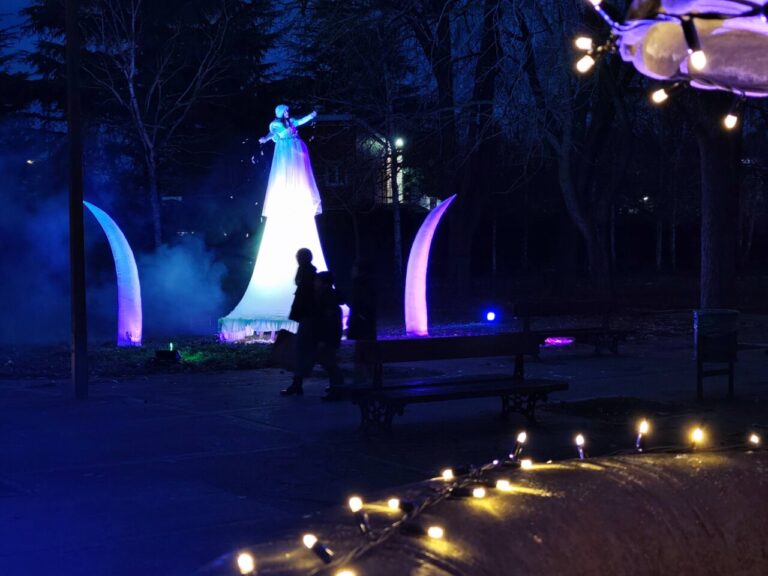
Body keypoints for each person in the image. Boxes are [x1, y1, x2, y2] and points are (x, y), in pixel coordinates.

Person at [219, 104, 329, 342]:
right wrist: (269, 137)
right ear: (280, 112)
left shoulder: (289, 124)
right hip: (286, 155)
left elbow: (297, 123)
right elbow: (275, 133)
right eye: (285, 110)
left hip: (295, 154)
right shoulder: (278, 124)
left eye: (288, 111)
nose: (288, 113)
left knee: (298, 167)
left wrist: (311, 115)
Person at [281, 248, 317, 396]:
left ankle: (298, 383)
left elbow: (304, 297)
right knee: (302, 350)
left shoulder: (307, 275)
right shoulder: (307, 273)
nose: (297, 259)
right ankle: (297, 382)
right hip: (306, 316)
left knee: (302, 350)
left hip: (307, 316)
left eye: (298, 257)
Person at [313, 272, 345, 400]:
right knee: (328, 362)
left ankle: (338, 388)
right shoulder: (329, 297)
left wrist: (323, 339)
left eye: (317, 281)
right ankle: (336, 387)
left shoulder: (327, 298)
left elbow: (328, 321)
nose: (315, 283)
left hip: (328, 337)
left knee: (329, 363)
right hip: (331, 336)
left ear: (324, 283)